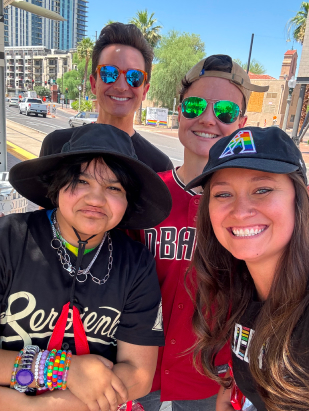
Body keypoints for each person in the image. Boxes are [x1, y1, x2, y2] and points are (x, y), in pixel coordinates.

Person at [0, 124, 172, 411]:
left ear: (127, 202)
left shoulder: (136, 263)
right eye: (81, 182)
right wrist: (60, 369)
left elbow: (139, 375)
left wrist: (41, 407)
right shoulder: (8, 239)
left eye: (114, 187)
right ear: (56, 188)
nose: (95, 199)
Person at [137, 56, 268, 411]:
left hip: (208, 376)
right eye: (195, 105)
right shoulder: (143, 194)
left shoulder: (252, 211)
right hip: (134, 368)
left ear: (241, 123)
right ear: (180, 111)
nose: (208, 118)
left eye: (225, 111)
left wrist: (241, 376)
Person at [186, 126, 309, 411]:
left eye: (262, 189)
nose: (241, 211)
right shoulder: (242, 288)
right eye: (223, 194)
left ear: (300, 197)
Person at [40, 22, 173, 173]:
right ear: (93, 83)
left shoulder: (159, 166)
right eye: (109, 73)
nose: (121, 86)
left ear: (144, 91)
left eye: (134, 76)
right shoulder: (56, 146)